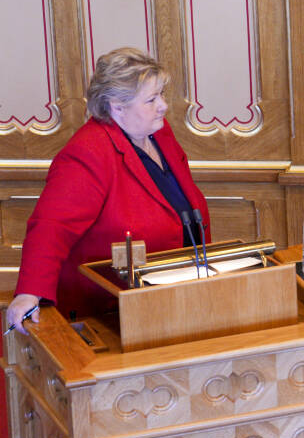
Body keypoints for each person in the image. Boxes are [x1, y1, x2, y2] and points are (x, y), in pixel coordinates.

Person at [5, 47, 209, 333]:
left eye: (161, 95)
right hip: (110, 314)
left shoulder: (159, 133)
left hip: (172, 299)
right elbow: (51, 226)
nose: (163, 105)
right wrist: (30, 292)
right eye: (151, 99)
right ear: (117, 107)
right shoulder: (88, 152)